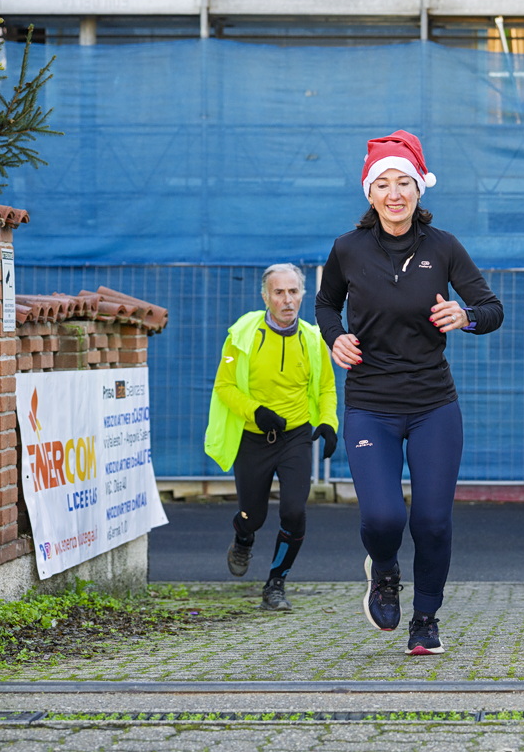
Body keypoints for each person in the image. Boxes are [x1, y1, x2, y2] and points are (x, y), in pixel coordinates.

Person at [315, 130, 503, 655]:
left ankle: (426, 619)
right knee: (384, 518)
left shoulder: (443, 247)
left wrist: (465, 316)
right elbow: (326, 305)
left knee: (432, 521)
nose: (394, 194)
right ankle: (384, 571)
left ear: (420, 190)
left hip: (432, 405)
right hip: (370, 405)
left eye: (404, 183)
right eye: (383, 184)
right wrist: (335, 337)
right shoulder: (347, 249)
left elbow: (492, 309)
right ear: (370, 194)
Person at [204, 263, 339, 611]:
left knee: (294, 512)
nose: (287, 299)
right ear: (265, 297)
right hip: (254, 438)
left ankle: (276, 584)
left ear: (303, 295)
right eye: (279, 292)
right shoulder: (242, 334)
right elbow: (224, 386)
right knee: (253, 515)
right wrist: (256, 412)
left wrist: (328, 423)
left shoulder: (313, 339)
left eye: (293, 291)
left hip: (295, 437)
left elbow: (326, 388)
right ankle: (243, 537)